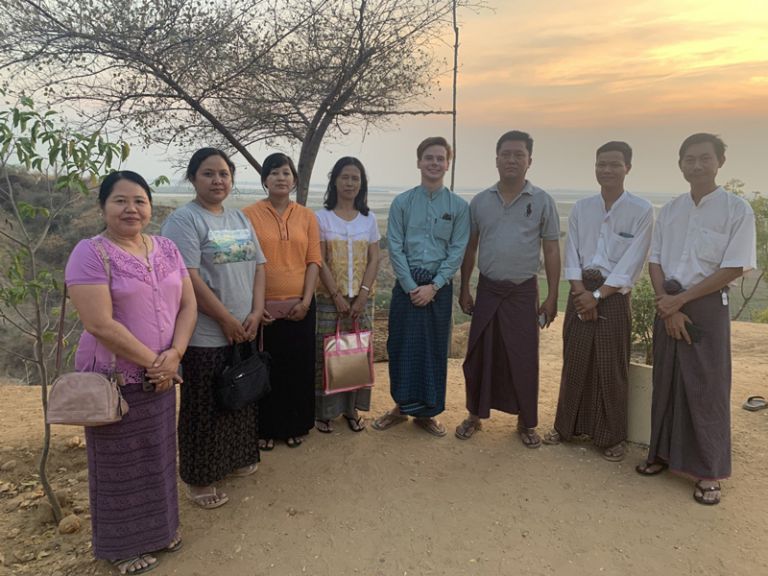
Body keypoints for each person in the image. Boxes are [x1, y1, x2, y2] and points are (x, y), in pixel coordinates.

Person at [65, 171, 197, 574]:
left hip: (161, 377)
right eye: (120, 200)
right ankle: (121, 547)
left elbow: (188, 305)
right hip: (116, 380)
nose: (131, 209)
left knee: (157, 456)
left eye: (139, 200)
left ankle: (161, 531)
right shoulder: (90, 253)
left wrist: (175, 353)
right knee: (118, 464)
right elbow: (99, 323)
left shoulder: (168, 249)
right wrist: (157, 363)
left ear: (150, 207)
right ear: (103, 206)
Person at [636, 133, 756, 505]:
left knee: (706, 388)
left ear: (720, 161)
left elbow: (735, 266)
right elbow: (654, 260)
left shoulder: (737, 210)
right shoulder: (671, 210)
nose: (697, 165)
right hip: (667, 300)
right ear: (680, 164)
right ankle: (661, 454)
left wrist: (680, 302)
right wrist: (665, 303)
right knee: (666, 381)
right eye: (690, 159)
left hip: (705, 307)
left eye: (705, 158)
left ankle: (708, 471)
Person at [161, 148, 266, 510]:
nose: (217, 180)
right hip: (205, 333)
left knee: (238, 395)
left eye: (223, 173)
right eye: (208, 173)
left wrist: (255, 311)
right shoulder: (184, 220)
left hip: (244, 326)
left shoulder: (239, 218)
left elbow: (259, 267)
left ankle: (232, 459)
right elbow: (187, 278)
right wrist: (225, 319)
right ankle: (199, 477)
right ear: (193, 178)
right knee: (203, 406)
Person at [543, 141, 653, 461]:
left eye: (614, 164)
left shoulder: (641, 209)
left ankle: (612, 437)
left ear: (627, 168)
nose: (606, 170)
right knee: (575, 361)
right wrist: (580, 294)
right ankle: (565, 428)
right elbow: (573, 252)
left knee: (611, 365)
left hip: (614, 295)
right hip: (581, 292)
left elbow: (632, 261)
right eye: (601, 164)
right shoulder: (582, 208)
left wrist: (597, 296)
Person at [457, 130, 560, 448]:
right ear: (497, 159)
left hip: (522, 291)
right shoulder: (480, 201)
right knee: (479, 355)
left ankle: (526, 422)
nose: (512, 159)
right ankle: (474, 415)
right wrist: (464, 288)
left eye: (519, 154)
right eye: (506, 154)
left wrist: (552, 295)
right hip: (488, 290)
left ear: (530, 160)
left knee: (523, 358)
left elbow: (552, 251)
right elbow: (470, 248)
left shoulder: (542, 200)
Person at [372, 136, 469, 437]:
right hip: (407, 287)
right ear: (418, 162)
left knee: (434, 350)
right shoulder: (403, 202)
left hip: (438, 289)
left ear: (447, 163)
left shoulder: (458, 206)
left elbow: (458, 250)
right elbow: (396, 247)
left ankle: (428, 412)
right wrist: (412, 285)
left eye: (440, 158)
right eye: (429, 157)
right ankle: (401, 407)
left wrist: (434, 286)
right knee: (401, 347)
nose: (434, 163)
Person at [243, 153, 322, 449]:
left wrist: (306, 300)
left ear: (294, 180)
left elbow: (314, 260)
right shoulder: (248, 215)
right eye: (274, 172)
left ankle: (295, 425)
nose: (280, 178)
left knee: (298, 368)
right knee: (266, 369)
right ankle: (264, 429)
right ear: (264, 179)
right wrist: (255, 304)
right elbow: (247, 262)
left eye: (286, 173)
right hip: (263, 309)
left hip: (300, 306)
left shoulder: (306, 216)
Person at [314, 157, 380, 433]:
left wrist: (363, 294)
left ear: (361, 183)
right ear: (335, 181)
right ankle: (324, 413)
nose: (350, 183)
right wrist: (336, 295)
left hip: (362, 301)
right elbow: (319, 259)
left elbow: (375, 258)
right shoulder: (321, 217)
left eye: (355, 178)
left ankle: (351, 410)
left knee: (355, 354)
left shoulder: (369, 218)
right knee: (327, 355)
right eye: (345, 177)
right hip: (330, 301)